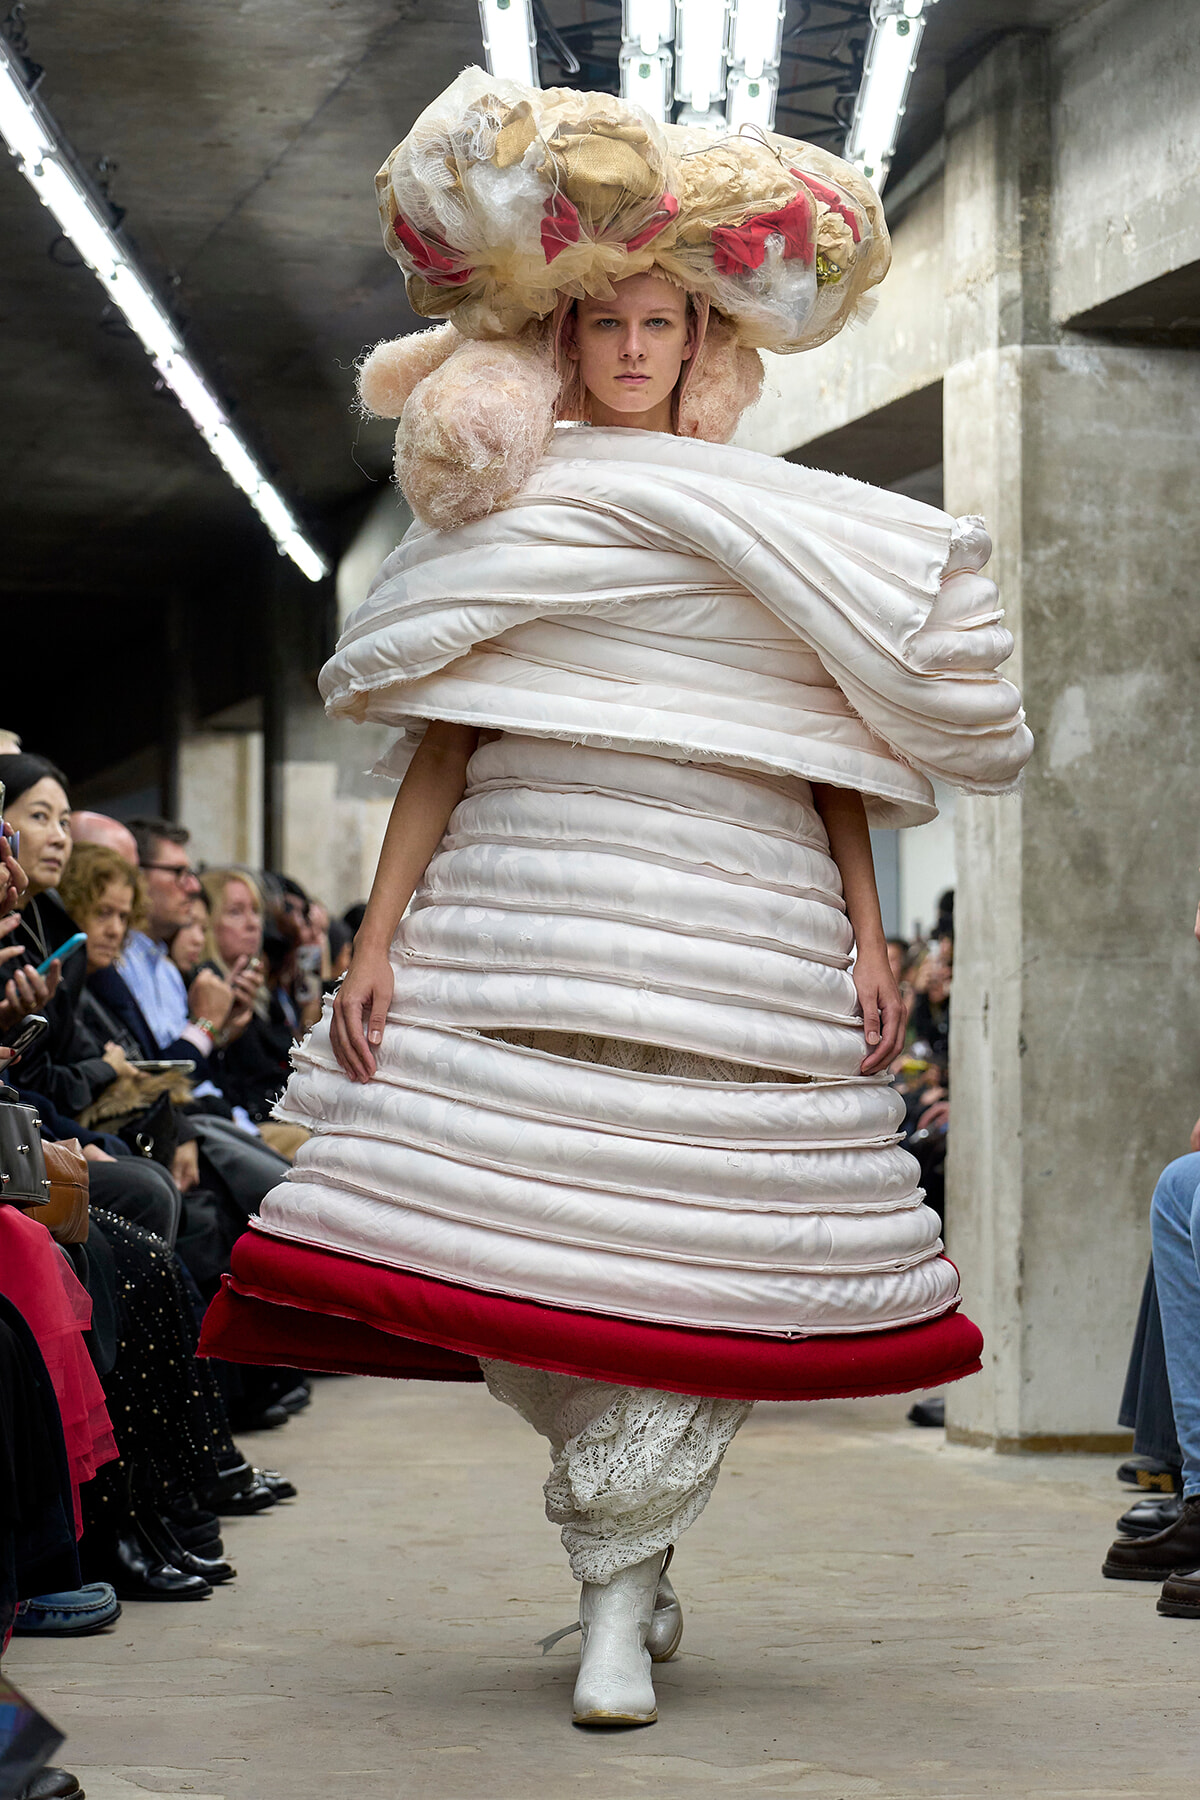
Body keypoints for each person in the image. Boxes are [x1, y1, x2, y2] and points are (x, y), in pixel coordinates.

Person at [202, 72, 1032, 1726]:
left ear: (703, 345)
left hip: (740, 919)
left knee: (700, 1256)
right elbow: (443, 738)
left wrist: (868, 935)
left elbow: (822, 742)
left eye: (666, 324)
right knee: (523, 1263)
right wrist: (375, 940)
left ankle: (615, 1588)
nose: (638, 350)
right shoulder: (509, 507)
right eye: (610, 326)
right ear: (567, 344)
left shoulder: (776, 516)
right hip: (532, 904)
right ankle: (625, 1552)